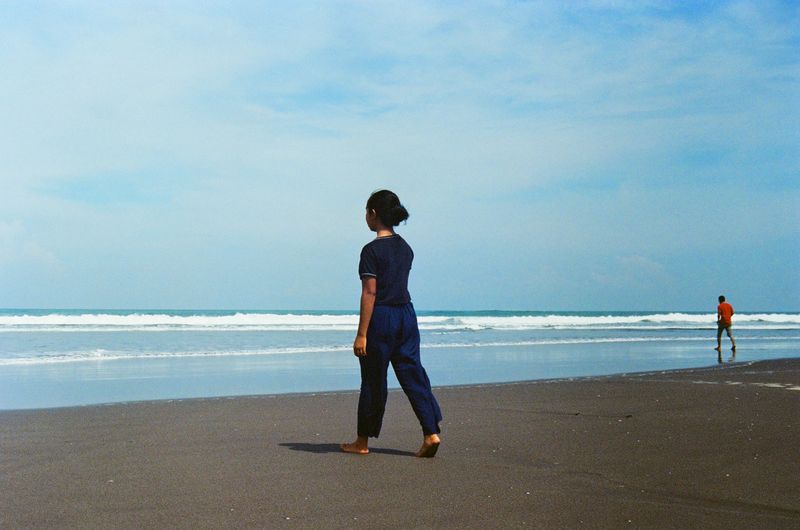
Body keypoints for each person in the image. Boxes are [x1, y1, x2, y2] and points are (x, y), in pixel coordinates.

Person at [341, 190, 442, 458]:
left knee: (374, 380)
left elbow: (370, 293)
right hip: (406, 315)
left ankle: (362, 442)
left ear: (373, 214)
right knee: (413, 375)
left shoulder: (371, 251)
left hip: (382, 317)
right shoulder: (405, 247)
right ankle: (431, 432)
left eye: (366, 212)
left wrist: (361, 334)